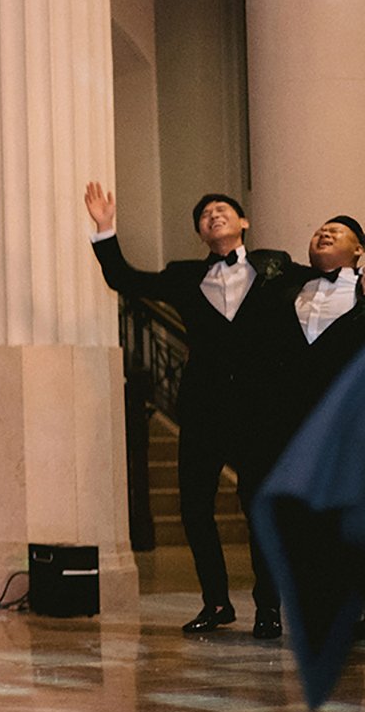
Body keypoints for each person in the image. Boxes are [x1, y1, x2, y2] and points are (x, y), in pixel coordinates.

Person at [84, 183, 291, 636]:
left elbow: (319, 290)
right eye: (205, 214)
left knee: (259, 509)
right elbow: (127, 280)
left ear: (243, 223)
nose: (213, 215)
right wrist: (104, 229)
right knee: (195, 507)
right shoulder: (183, 275)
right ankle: (216, 604)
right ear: (200, 233)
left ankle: (268, 608)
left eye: (222, 209)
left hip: (259, 410)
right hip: (201, 408)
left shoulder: (275, 265)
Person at [238, 215, 365, 640]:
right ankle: (268, 607)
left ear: (359, 251)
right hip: (279, 424)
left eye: (337, 231)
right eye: (318, 231)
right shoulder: (282, 291)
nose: (324, 233)